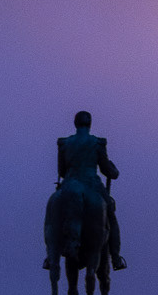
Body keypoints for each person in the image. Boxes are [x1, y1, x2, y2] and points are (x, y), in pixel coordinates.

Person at [51, 111, 127, 269]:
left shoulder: (65, 144)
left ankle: (51, 256)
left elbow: (61, 171)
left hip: (70, 183)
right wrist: (114, 171)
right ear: (90, 124)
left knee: (54, 214)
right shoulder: (97, 143)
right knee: (110, 214)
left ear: (75, 124)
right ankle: (116, 258)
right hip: (91, 183)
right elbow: (106, 169)